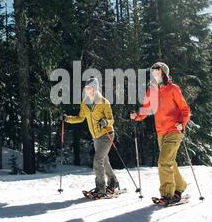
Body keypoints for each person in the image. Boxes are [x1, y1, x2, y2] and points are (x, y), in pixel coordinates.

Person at [130, 62, 191, 205]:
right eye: (153, 73)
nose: (155, 75)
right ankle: (180, 186)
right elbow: (146, 108)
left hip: (174, 131)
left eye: (157, 73)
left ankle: (167, 195)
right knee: (169, 161)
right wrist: (137, 116)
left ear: (164, 73)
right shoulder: (151, 91)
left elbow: (185, 109)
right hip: (161, 132)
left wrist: (182, 124)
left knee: (163, 162)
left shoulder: (173, 89)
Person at [63, 78, 120, 199]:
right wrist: (67, 119)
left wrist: (105, 122)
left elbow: (111, 120)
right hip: (96, 137)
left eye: (89, 88)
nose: (87, 90)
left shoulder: (104, 102)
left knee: (97, 160)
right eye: (86, 88)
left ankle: (101, 188)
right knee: (103, 160)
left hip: (106, 134)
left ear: (95, 88)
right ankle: (113, 181)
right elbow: (80, 118)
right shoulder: (84, 103)